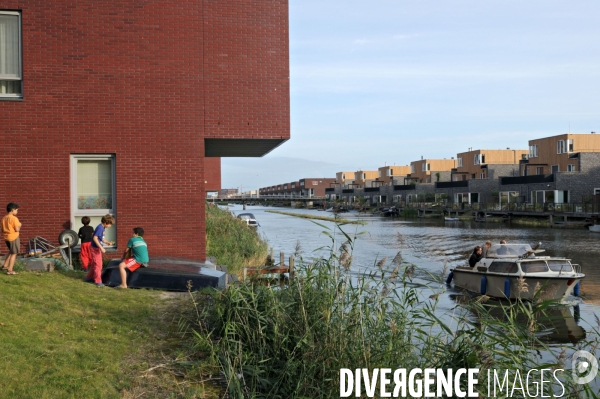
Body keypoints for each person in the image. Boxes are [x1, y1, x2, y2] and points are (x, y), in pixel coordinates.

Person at [85, 214, 115, 287]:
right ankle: (98, 281)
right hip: (95, 248)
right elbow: (95, 238)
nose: (110, 226)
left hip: (97, 248)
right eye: (110, 224)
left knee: (95, 263)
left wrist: (107, 242)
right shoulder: (100, 228)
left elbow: (101, 238)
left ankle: (89, 277)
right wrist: (101, 248)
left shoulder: (102, 228)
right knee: (99, 265)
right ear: (105, 222)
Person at [2, 203, 22, 275]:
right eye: (17, 210)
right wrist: (20, 225)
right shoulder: (14, 218)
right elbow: (17, 229)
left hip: (6, 238)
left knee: (11, 251)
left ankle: (5, 265)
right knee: (14, 253)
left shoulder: (4, 218)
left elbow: (2, 229)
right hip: (13, 237)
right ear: (13, 210)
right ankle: (10, 270)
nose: (17, 211)